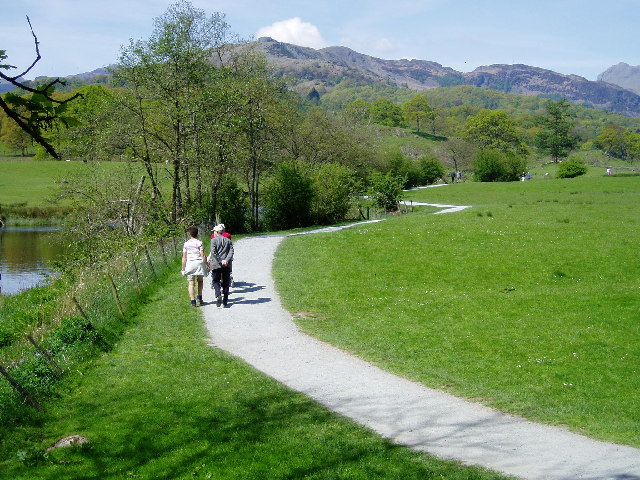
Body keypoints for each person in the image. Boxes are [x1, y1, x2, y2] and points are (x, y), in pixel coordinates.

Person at [181, 226, 209, 307]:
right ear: (197, 233)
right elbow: (203, 255)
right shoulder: (199, 243)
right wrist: (207, 264)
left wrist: (183, 268)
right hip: (199, 263)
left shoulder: (186, 244)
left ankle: (193, 301)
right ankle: (200, 297)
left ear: (190, 234)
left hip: (190, 264)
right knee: (200, 281)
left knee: (191, 283)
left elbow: (184, 257)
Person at [208, 224, 234, 307]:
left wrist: (220, 260)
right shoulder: (228, 241)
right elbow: (231, 251)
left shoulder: (213, 241)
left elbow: (213, 252)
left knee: (215, 281)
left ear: (216, 232)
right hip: (226, 264)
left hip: (216, 264)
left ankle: (218, 294)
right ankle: (225, 300)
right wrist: (226, 260)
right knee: (226, 282)